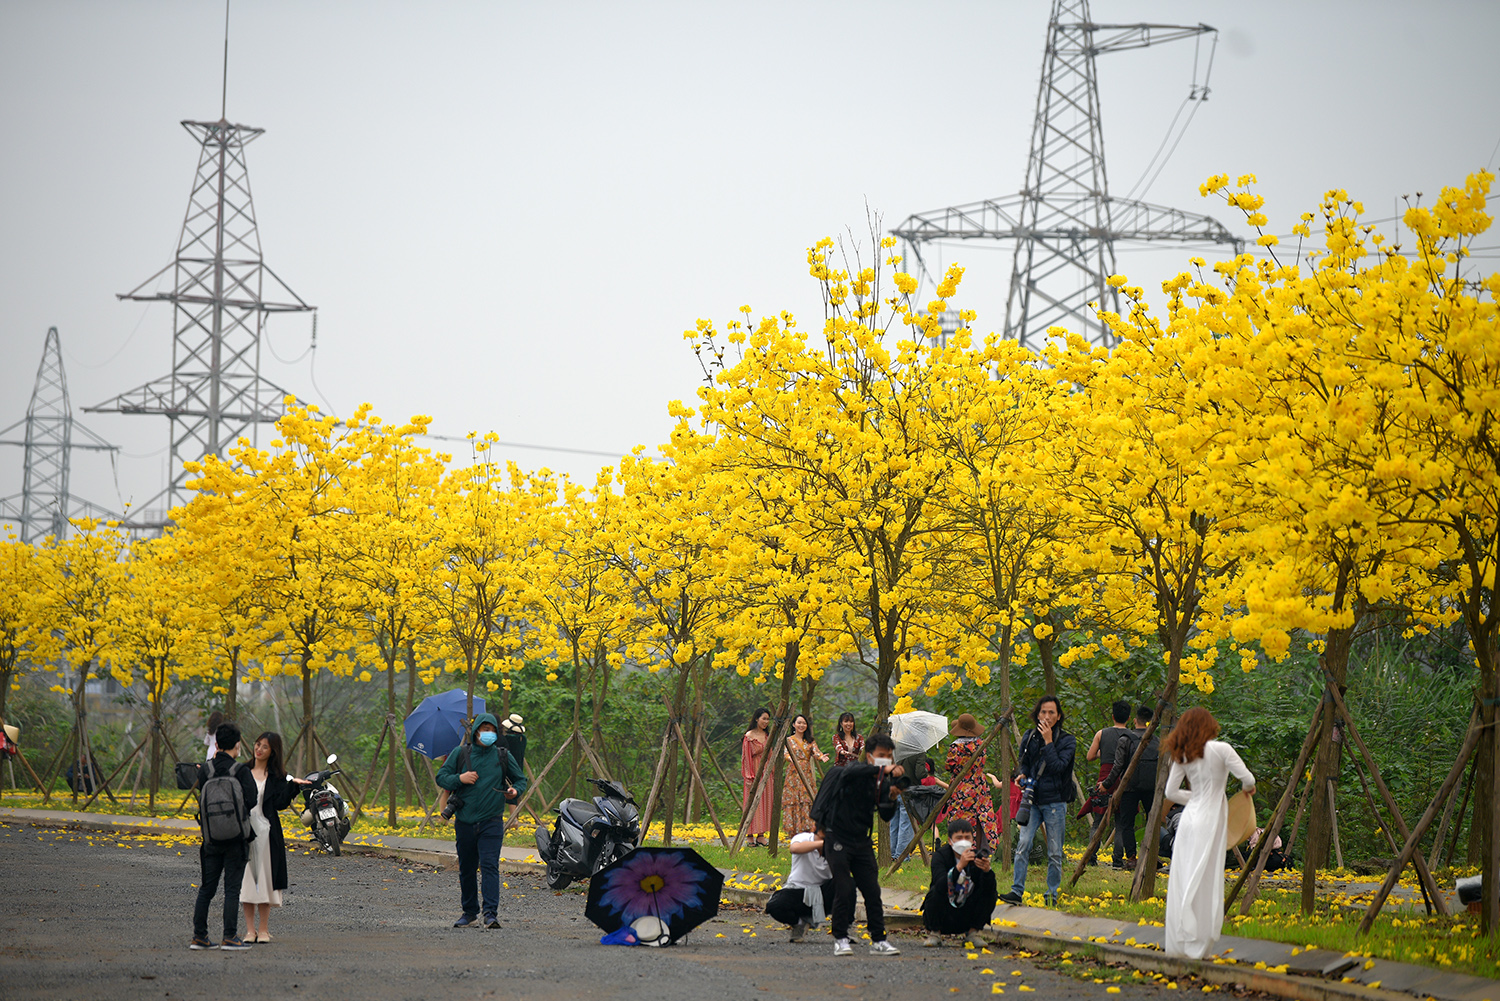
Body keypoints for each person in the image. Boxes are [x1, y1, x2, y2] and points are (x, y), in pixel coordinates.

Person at [1161, 707, 1255, 959]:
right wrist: (1244, 792)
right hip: (1210, 820)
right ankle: (1199, 945)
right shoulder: (1222, 749)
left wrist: (1195, 797)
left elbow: (1171, 793)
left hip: (1189, 819)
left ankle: (1181, 940)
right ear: (1209, 725)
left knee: (1184, 876)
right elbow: (1248, 780)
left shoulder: (1182, 755)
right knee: (1206, 878)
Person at [810, 732, 905, 957]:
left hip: (861, 840)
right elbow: (854, 770)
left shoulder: (880, 781)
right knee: (844, 888)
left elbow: (885, 815)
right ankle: (841, 938)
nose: (885, 760)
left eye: (889, 757)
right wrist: (883, 770)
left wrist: (891, 797)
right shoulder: (854, 771)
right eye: (881, 755)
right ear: (870, 756)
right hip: (837, 837)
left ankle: (879, 940)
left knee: (872, 890)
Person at [435, 713, 527, 929]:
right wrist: (460, 778)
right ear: (476, 731)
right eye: (484, 729)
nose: (488, 733)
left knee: (489, 866)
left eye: (492, 729)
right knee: (467, 868)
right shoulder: (461, 753)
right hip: (465, 821)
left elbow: (520, 779)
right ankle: (469, 913)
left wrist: (514, 791)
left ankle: (490, 914)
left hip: (491, 821)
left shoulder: (502, 755)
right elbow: (441, 777)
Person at [1001, 695, 1076, 907]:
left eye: (1052, 712)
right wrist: (1022, 775)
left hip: (1055, 802)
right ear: (1037, 714)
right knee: (1023, 844)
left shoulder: (1067, 741)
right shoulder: (1029, 736)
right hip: (1031, 799)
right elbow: (1024, 764)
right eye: (1043, 712)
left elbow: (1059, 767)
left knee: (1054, 851)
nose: (1047, 716)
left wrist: (1049, 741)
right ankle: (1017, 891)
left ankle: (1051, 893)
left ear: (1059, 716)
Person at [190, 722, 258, 951]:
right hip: (236, 839)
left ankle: (199, 937)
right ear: (237, 746)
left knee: (206, 889)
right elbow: (251, 800)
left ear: (217, 744)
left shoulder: (205, 770)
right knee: (231, 889)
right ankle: (230, 937)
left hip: (210, 839)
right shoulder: (241, 771)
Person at [240, 732, 310, 943]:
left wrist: (293, 787)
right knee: (247, 881)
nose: (259, 749)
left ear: (273, 752)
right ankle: (249, 930)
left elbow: (279, 804)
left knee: (265, 881)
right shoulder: (242, 771)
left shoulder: (278, 776)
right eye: (257, 744)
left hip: (266, 833)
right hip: (243, 833)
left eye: (265, 747)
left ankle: (263, 930)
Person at [921, 818, 998, 946]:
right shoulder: (940, 856)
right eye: (959, 838)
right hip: (944, 912)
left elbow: (988, 889)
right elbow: (940, 885)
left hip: (967, 914)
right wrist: (959, 867)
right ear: (950, 841)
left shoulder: (977, 857)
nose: (963, 841)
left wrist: (987, 872)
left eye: (967, 837)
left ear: (972, 840)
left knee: (991, 893)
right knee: (934, 892)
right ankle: (935, 933)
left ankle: (973, 933)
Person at [1104, 704, 1160, 871]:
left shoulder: (1125, 739)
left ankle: (1131, 858)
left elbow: (1118, 766)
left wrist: (1106, 785)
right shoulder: (1158, 741)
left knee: (1126, 823)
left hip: (1129, 787)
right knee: (1153, 821)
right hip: (1152, 787)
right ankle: (1151, 856)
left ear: (1134, 721)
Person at [1080, 700, 1132, 864]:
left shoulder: (1101, 734)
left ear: (1112, 716)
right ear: (1129, 718)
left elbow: (1089, 756)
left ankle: (1091, 858)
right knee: (1121, 822)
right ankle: (1117, 860)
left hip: (1105, 777)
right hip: (1125, 778)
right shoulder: (1132, 736)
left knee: (1097, 821)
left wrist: (1101, 752)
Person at [939, 714, 999, 855]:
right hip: (979, 785)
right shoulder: (981, 744)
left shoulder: (955, 748)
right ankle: (984, 847)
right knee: (982, 815)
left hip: (962, 786)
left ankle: (962, 847)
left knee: (961, 816)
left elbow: (949, 766)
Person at [765, 821, 834, 942]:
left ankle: (844, 929)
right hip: (797, 890)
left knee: (848, 883)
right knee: (774, 906)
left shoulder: (837, 845)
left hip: (822, 893)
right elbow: (794, 848)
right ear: (814, 829)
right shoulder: (803, 838)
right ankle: (799, 923)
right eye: (822, 836)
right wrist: (821, 844)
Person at [782, 713, 828, 838]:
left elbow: (816, 752)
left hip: (806, 773)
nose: (801, 725)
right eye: (799, 723)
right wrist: (789, 758)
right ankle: (793, 830)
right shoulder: (789, 740)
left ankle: (807, 828)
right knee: (793, 799)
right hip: (793, 773)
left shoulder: (810, 741)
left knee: (807, 798)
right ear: (793, 725)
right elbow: (786, 753)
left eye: (804, 723)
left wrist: (821, 757)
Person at [740, 707, 774, 847]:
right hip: (753, 772)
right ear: (756, 719)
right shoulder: (749, 736)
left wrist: (771, 772)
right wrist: (749, 776)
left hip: (766, 773)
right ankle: (749, 835)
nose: (766, 721)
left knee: (765, 803)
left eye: (768, 719)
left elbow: (771, 754)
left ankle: (761, 835)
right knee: (752, 803)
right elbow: (745, 757)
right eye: (763, 718)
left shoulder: (768, 735)